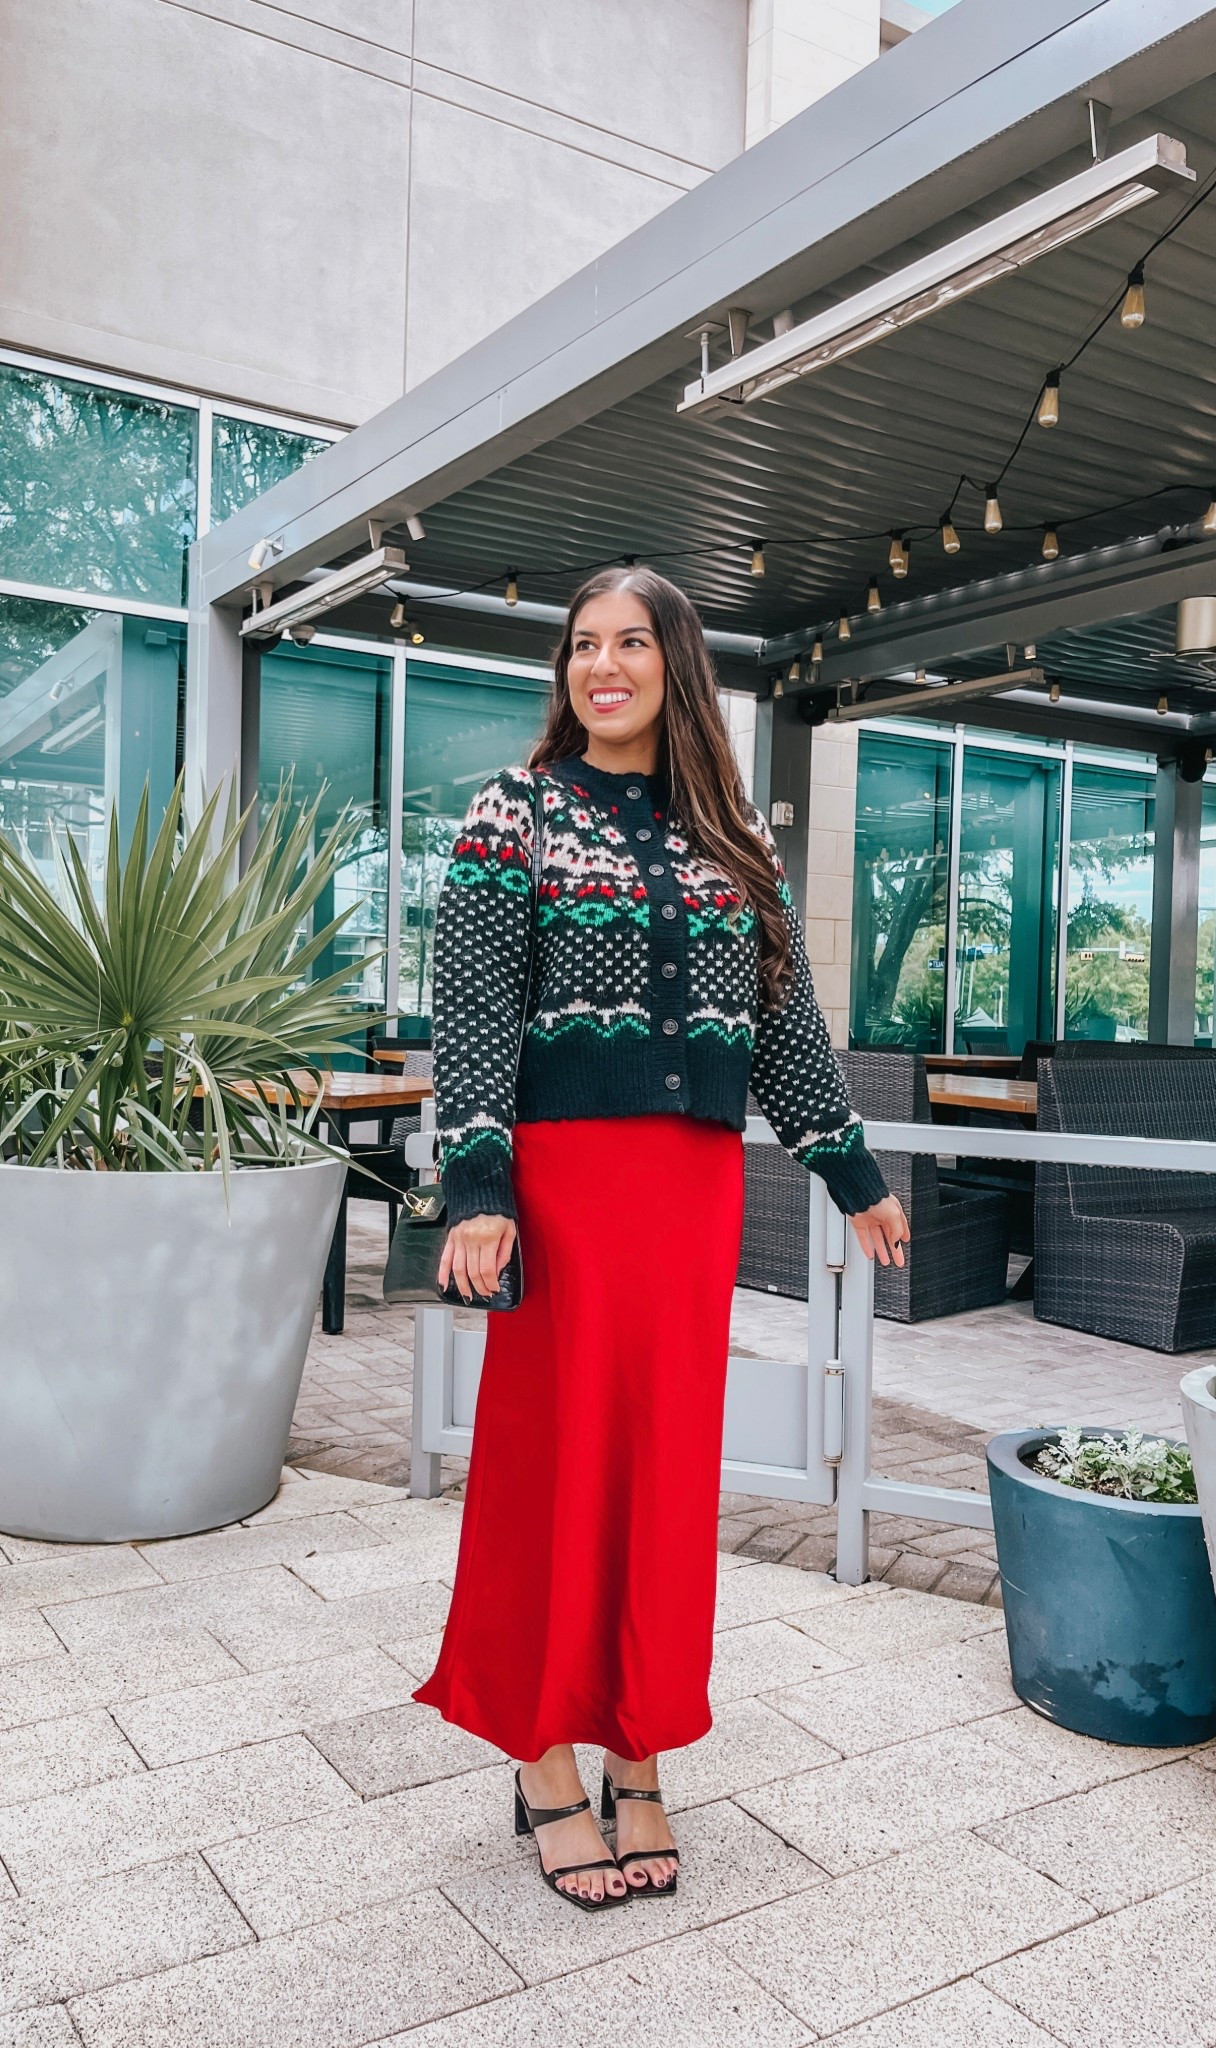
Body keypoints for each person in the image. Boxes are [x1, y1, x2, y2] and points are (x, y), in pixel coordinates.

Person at [413, 565, 908, 1910]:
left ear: (676, 666)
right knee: (551, 1467)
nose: (604, 665)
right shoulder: (513, 814)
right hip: (564, 1196)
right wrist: (478, 1184)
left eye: (632, 643)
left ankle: (642, 1747)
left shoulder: (731, 836)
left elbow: (788, 1022)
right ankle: (543, 1759)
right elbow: (467, 1005)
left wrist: (851, 1168)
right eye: (585, 645)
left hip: (692, 1197)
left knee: (662, 1476)